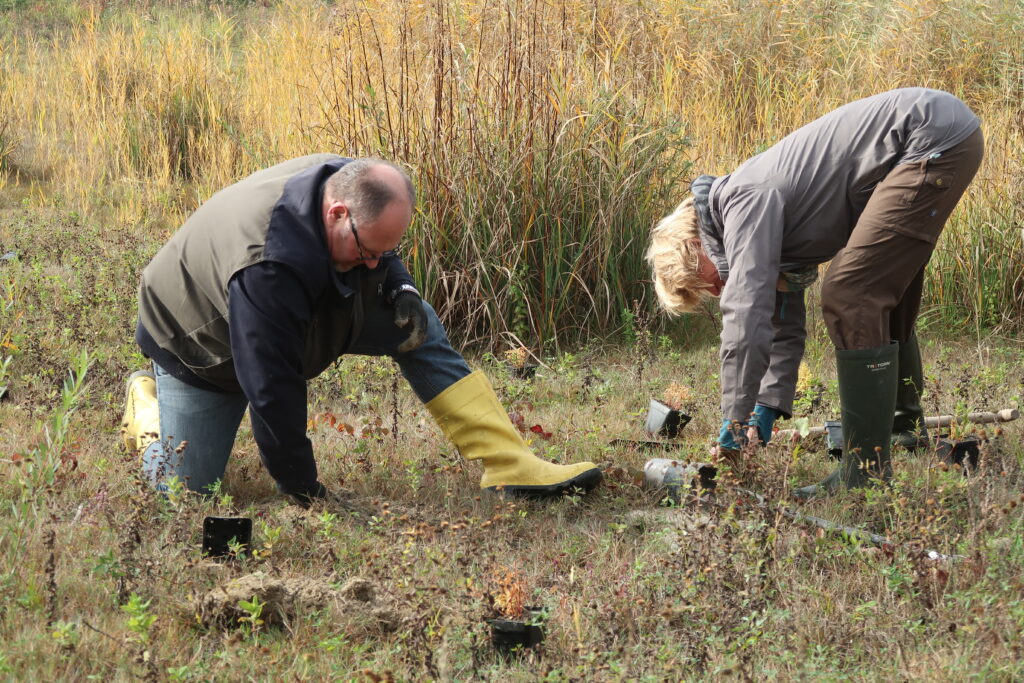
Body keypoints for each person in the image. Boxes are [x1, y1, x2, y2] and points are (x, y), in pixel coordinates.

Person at [119, 155, 602, 504]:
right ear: (336, 214)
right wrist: (307, 491)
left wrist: (403, 287)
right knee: (184, 495)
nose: (375, 260)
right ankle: (149, 413)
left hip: (301, 300)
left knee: (415, 324)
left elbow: (380, 250)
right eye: (368, 252)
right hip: (203, 344)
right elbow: (270, 387)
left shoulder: (353, 185)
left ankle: (509, 462)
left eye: (383, 251)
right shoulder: (267, 268)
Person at [646, 88, 983, 498]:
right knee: (879, 289)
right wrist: (766, 407)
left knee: (851, 292)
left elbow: (746, 321)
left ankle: (863, 473)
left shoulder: (741, 203)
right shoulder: (751, 219)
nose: (716, 290)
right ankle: (903, 428)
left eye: (703, 282)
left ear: (692, 244)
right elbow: (782, 327)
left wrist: (733, 424)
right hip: (942, 134)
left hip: (929, 139)